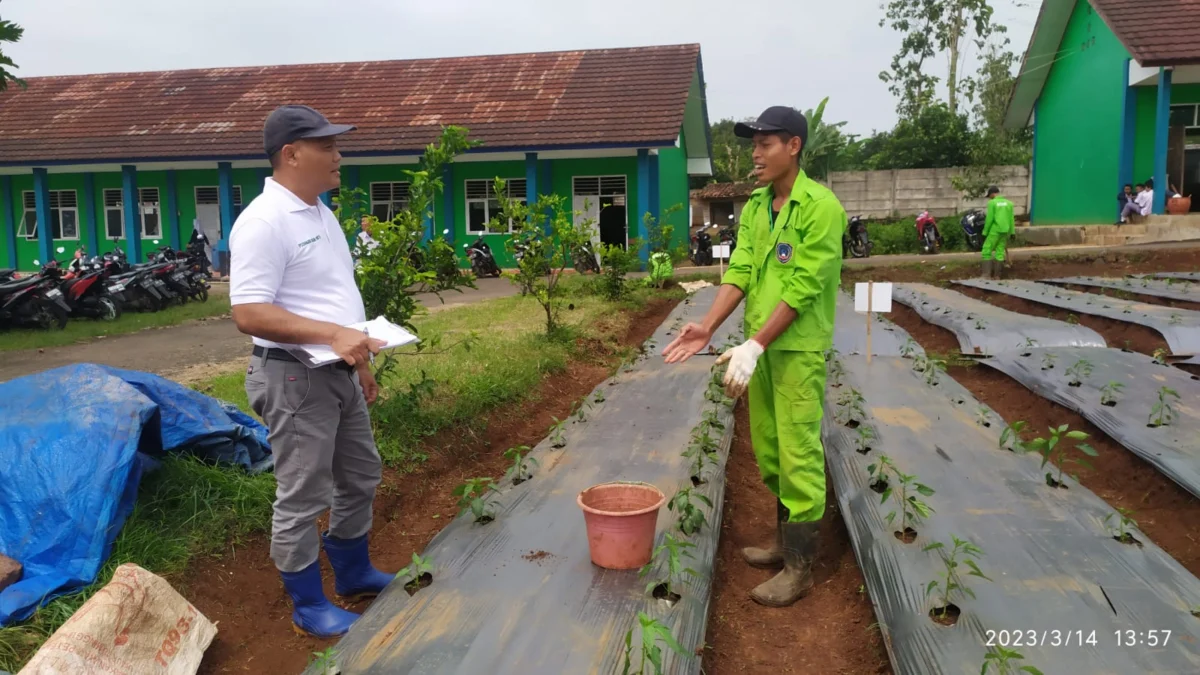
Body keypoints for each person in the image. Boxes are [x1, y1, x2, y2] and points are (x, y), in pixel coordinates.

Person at [661, 106, 846, 608]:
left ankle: (801, 568)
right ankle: (785, 542)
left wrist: (757, 343)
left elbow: (805, 284)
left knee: (799, 452)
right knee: (768, 449)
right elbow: (740, 269)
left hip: (794, 351)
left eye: (766, 144)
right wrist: (709, 326)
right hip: (757, 349)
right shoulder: (759, 205)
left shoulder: (820, 207)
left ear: (794, 146)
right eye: (753, 144)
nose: (755, 154)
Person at [229, 104, 391, 639]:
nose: (338, 154)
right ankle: (307, 605)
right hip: (293, 378)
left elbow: (332, 296)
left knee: (361, 473)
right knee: (303, 492)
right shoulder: (263, 221)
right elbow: (248, 312)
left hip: (337, 371)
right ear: (291, 154)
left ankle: (353, 571)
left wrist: (358, 359)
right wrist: (330, 336)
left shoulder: (320, 211)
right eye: (326, 146)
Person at [980, 186, 1015, 278]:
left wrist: (984, 232)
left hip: (995, 231)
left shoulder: (992, 203)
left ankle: (986, 275)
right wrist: (1012, 232)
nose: (990, 197)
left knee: (986, 250)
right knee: (999, 252)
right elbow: (1011, 219)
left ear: (992, 194)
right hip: (1005, 231)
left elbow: (989, 219)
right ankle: (997, 276)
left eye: (990, 195)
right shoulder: (1009, 203)